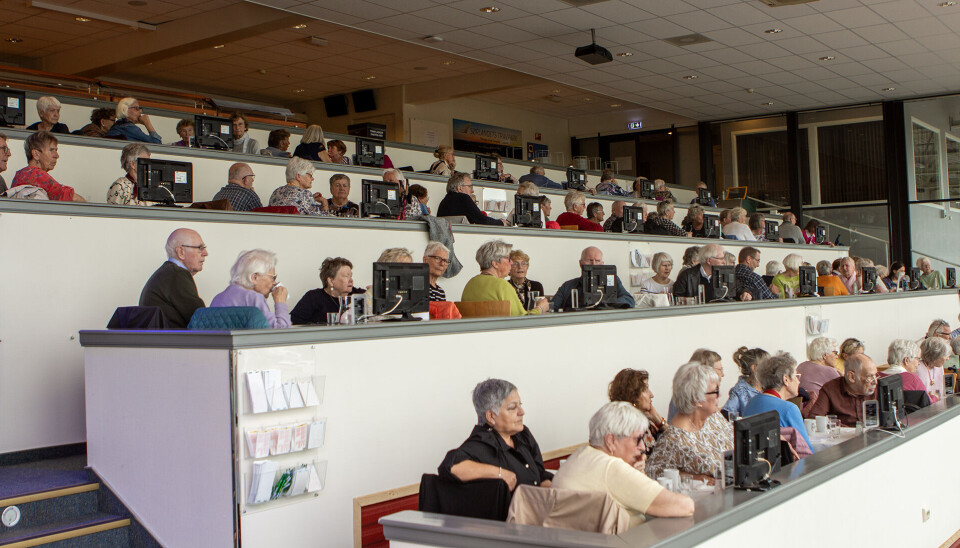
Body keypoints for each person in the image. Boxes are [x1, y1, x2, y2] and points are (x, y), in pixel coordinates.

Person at [551, 402, 694, 527]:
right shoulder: (611, 468)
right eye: (638, 439)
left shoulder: (581, 456)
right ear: (611, 441)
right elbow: (684, 506)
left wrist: (637, 473)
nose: (643, 447)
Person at [438, 379, 553, 492]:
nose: (522, 412)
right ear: (491, 416)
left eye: (520, 405)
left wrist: (550, 493)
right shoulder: (481, 443)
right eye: (512, 408)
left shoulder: (523, 434)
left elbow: (541, 474)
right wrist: (499, 473)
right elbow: (449, 467)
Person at [646, 361, 733, 483]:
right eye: (716, 391)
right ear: (697, 399)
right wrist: (692, 477)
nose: (720, 395)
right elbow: (653, 472)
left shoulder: (713, 417)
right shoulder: (675, 439)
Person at [742, 352, 815, 453]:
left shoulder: (750, 403)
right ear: (786, 379)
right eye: (796, 376)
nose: (798, 381)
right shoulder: (789, 409)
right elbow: (806, 450)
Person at [138, 228, 207, 328]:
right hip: (170, 338)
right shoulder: (177, 275)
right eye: (200, 248)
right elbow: (202, 320)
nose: (205, 253)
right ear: (181, 252)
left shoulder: (168, 273)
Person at [460, 239, 548, 316]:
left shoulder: (470, 284)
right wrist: (540, 308)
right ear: (495, 263)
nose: (511, 263)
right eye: (508, 259)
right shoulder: (502, 285)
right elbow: (522, 319)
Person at [209, 249, 290, 328]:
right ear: (254, 277)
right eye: (273, 277)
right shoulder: (253, 297)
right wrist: (280, 301)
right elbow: (281, 329)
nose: (274, 283)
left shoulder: (218, 298)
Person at [805, 354, 878, 426]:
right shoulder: (830, 389)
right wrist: (836, 426)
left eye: (875, 375)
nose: (875, 382)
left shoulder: (879, 388)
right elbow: (814, 419)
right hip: (843, 433)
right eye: (869, 377)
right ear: (852, 377)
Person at [11, 131, 85, 202]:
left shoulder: (19, 174)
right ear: (36, 154)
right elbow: (72, 197)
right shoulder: (37, 174)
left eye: (56, 150)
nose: (57, 155)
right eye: (51, 150)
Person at [552, 246, 635, 309]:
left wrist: (608, 304)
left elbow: (629, 299)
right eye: (590, 260)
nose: (594, 264)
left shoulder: (612, 279)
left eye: (597, 261)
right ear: (580, 263)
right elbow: (552, 306)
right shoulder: (568, 286)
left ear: (602, 263)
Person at [290, 257, 365, 325]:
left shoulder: (358, 295)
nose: (351, 280)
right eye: (346, 276)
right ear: (331, 281)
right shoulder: (313, 298)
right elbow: (293, 322)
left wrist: (371, 292)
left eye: (351, 276)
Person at [673, 244, 751, 302]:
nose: (724, 262)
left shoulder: (726, 273)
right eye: (721, 259)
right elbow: (676, 298)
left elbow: (739, 288)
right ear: (709, 260)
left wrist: (745, 293)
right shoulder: (687, 275)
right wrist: (692, 301)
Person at [608, 369, 667, 446]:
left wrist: (660, 422)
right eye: (646, 389)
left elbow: (679, 444)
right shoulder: (627, 427)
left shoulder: (650, 423)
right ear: (633, 396)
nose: (651, 395)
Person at [436, 172, 505, 226]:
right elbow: (483, 220)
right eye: (470, 187)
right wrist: (501, 222)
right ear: (460, 188)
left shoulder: (444, 201)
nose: (472, 191)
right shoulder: (463, 198)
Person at [722, 347, 767, 418]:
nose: (771, 369)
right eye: (767, 365)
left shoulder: (768, 386)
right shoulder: (740, 390)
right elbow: (727, 414)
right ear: (755, 368)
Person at [917, 337, 948, 402]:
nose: (947, 358)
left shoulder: (939, 367)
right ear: (935, 355)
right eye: (945, 355)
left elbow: (942, 395)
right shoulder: (917, 367)